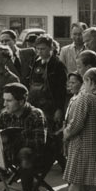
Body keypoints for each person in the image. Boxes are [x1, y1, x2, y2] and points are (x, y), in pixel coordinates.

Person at [28, 34, 67, 167]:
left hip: (51, 106)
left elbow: (62, 91)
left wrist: (59, 109)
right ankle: (42, 163)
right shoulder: (36, 62)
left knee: (54, 137)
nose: (40, 52)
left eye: (43, 49)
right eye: (37, 49)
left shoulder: (58, 65)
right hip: (36, 104)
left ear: (51, 48)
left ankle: (63, 164)